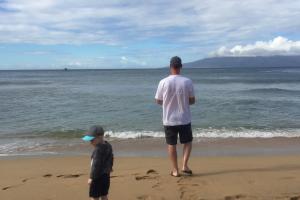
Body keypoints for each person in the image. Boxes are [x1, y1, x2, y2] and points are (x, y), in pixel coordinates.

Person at [155, 56, 195, 177]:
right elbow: (192, 101)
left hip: (169, 119)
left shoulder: (163, 82)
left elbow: (158, 100)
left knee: (171, 144)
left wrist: (167, 104)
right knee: (187, 142)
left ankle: (175, 170)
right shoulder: (187, 81)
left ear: (170, 66)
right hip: (184, 118)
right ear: (181, 67)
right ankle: (184, 165)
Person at [82, 125, 114, 200]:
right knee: (104, 195)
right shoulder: (108, 145)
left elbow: (95, 166)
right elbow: (111, 157)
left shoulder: (97, 150)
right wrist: (110, 167)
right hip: (106, 176)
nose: (90, 142)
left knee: (94, 197)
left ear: (99, 137)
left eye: (92, 140)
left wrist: (91, 178)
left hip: (97, 177)